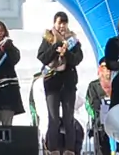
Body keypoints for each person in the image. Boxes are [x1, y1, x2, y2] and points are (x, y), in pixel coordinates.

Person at [37, 11, 84, 155]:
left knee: (69, 118)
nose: (62, 26)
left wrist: (66, 53)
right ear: (54, 24)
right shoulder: (48, 38)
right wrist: (56, 47)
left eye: (64, 23)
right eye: (59, 23)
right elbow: (42, 57)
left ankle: (70, 150)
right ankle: (53, 149)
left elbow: (77, 59)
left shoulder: (72, 40)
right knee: (53, 118)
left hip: (68, 84)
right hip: (52, 84)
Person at [85, 59, 112, 155]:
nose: (107, 70)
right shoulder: (94, 85)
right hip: (101, 118)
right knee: (99, 128)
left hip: (118, 117)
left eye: (109, 67)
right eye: (104, 67)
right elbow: (93, 104)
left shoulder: (118, 83)